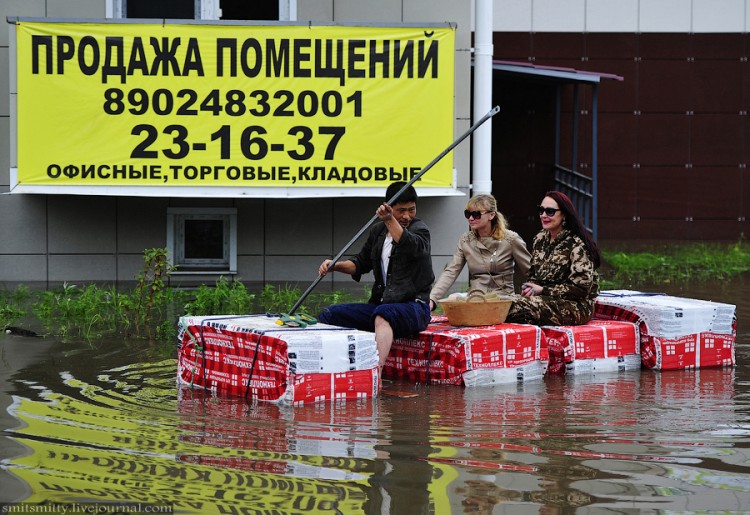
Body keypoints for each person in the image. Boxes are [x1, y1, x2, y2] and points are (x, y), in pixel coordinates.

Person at [317, 182, 434, 368]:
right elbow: (360, 264)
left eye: (411, 210)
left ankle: (375, 373)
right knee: (330, 314)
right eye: (400, 210)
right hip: (381, 304)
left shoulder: (420, 230)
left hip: (415, 307)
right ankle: (333, 367)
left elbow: (409, 244)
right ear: (389, 206)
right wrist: (335, 266)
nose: (406, 216)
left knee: (383, 314)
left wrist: (390, 219)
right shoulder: (378, 232)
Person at [505, 190, 601, 326]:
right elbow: (533, 275)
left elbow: (580, 289)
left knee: (517, 309)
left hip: (576, 306)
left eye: (550, 211)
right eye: (541, 210)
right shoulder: (540, 239)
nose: (544, 215)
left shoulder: (576, 244)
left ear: (564, 215)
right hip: (544, 300)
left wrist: (543, 290)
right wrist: (529, 289)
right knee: (503, 303)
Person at [429, 194, 531, 310]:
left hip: (502, 299)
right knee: (452, 300)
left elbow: (531, 271)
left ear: (491, 215)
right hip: (475, 297)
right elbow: (451, 271)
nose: (471, 218)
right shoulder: (465, 240)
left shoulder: (511, 239)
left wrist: (535, 290)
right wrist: (432, 299)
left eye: (476, 214)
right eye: (468, 214)